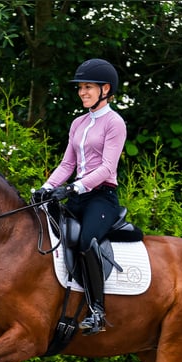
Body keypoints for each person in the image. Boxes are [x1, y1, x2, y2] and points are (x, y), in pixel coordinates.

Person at [39, 58, 127, 335]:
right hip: (76, 195)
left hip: (101, 198)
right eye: (80, 88)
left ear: (105, 89)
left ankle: (97, 311)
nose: (82, 93)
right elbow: (67, 164)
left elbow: (107, 168)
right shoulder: (78, 123)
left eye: (88, 87)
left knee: (87, 241)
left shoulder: (115, 123)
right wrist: (45, 188)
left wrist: (76, 187)